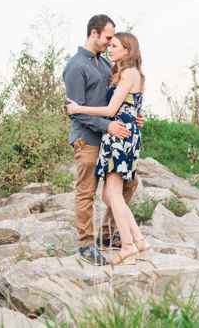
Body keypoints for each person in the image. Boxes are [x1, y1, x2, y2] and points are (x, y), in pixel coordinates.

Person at [62, 15, 143, 266]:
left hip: (111, 137)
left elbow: (118, 98)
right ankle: (86, 245)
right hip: (88, 137)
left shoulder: (106, 64)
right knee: (87, 191)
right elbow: (76, 109)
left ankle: (107, 235)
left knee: (129, 184)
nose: (110, 43)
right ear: (94, 33)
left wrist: (134, 116)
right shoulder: (76, 67)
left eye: (113, 40)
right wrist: (107, 124)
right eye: (108, 38)